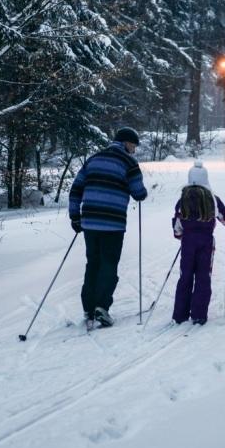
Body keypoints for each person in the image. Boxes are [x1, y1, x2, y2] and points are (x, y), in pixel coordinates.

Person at [68, 127, 148, 328]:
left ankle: (89, 308)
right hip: (113, 223)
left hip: (89, 222)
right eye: (133, 145)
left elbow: (76, 188)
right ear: (126, 143)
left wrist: (75, 217)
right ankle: (101, 308)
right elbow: (138, 192)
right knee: (108, 264)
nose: (134, 150)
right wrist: (141, 193)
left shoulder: (93, 159)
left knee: (92, 263)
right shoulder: (129, 163)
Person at [171, 160, 225, 325]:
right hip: (206, 242)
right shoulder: (212, 198)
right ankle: (199, 314)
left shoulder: (183, 198)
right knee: (202, 276)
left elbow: (177, 226)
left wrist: (180, 234)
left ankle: (180, 315)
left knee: (185, 276)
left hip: (188, 242)